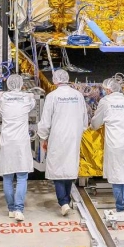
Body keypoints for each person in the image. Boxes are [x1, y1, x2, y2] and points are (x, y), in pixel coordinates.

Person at [37, 68, 88, 216]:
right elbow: (84, 118)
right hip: (74, 135)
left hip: (57, 136)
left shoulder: (52, 96)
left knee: (58, 169)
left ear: (55, 80)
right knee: (69, 166)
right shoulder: (78, 95)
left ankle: (63, 202)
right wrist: (79, 131)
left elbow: (46, 121)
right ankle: (66, 199)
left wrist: (43, 137)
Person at [92, 77, 124, 213]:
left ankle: (121, 206)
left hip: (115, 141)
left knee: (116, 174)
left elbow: (96, 123)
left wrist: (92, 125)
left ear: (108, 90)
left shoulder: (105, 101)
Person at [0, 74, 36, 221]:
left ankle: (11, 209)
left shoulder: (3, 99)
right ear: (20, 84)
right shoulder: (26, 99)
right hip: (21, 142)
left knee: (7, 176)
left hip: (7, 141)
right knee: (21, 176)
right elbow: (33, 103)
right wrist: (31, 96)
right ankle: (19, 209)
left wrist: (0, 96)